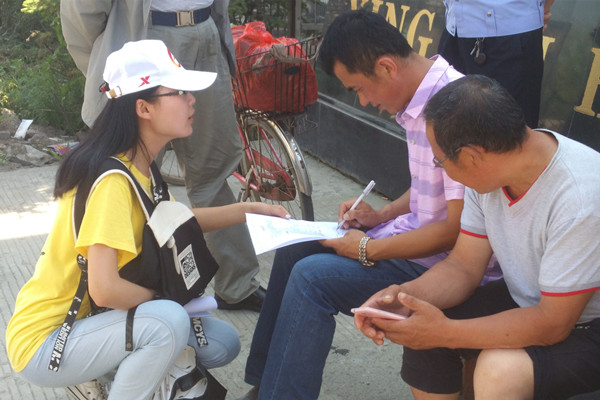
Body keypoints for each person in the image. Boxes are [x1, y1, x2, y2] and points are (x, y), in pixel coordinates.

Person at [5, 39, 289, 399]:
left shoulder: (140, 165)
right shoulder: (112, 182)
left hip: (96, 321)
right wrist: (167, 300)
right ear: (143, 108)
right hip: (50, 340)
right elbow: (104, 288)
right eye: (179, 92)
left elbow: (173, 221)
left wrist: (246, 211)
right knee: (168, 323)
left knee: (221, 343)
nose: (192, 100)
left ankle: (109, 370)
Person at [238, 10, 500, 400]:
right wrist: (381, 215)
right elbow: (432, 186)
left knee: (312, 278)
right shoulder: (422, 99)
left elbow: (456, 229)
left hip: (442, 263)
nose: (363, 100)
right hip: (414, 241)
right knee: (295, 249)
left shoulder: (453, 109)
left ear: (386, 67)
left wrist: (366, 247)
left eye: (359, 89)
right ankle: (267, 385)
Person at [355, 75, 600, 399]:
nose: (441, 169)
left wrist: (446, 332)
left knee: (498, 372)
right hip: (531, 298)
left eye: (440, 161)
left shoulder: (580, 198)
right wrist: (403, 297)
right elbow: (463, 266)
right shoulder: (490, 172)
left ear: (472, 156)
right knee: (421, 320)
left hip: (586, 323)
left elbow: (553, 324)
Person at [60, 0, 266, 312]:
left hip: (206, 29)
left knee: (213, 173)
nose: (189, 100)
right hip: (144, 35)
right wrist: (112, 67)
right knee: (128, 177)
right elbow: (82, 15)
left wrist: (248, 210)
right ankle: (126, 295)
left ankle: (237, 286)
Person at [437, 0, 555, 128]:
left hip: (508, 34)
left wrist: (541, 11)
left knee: (506, 134)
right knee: (447, 129)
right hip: (453, 28)